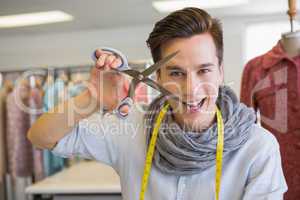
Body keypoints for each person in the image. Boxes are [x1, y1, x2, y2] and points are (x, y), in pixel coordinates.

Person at [28, 7, 287, 200]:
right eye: (176, 73)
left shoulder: (258, 148)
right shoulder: (130, 131)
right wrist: (92, 98)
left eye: (204, 70)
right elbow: (40, 136)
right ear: (158, 76)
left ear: (220, 71)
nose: (191, 88)